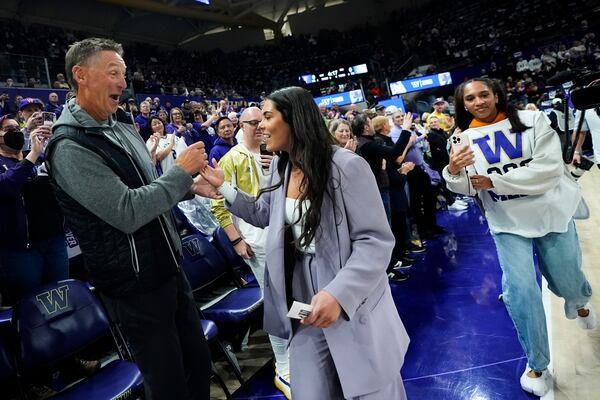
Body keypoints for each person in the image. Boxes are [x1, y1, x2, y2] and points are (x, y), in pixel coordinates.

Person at [201, 86, 410, 400]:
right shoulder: (281, 169)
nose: (260, 126)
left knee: (372, 387)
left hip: (346, 286)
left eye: (268, 117)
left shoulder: (347, 166)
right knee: (310, 388)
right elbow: (263, 213)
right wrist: (225, 188)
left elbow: (375, 241)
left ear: (294, 120)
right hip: (300, 291)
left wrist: (339, 293)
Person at [45, 38, 219, 400]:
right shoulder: (69, 146)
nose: (123, 83)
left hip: (169, 267)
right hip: (134, 285)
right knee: (169, 384)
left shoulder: (120, 124)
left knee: (199, 365)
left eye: (124, 74)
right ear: (80, 75)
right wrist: (182, 174)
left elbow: (149, 188)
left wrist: (189, 189)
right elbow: (126, 211)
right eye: (113, 73)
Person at [445, 77, 595, 397]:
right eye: (470, 99)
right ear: (464, 105)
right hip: (507, 222)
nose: (478, 102)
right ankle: (537, 363)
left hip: (551, 211)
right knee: (521, 290)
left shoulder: (533, 120)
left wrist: (494, 182)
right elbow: (466, 185)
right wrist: (454, 173)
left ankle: (579, 302)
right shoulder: (461, 139)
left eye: (484, 94)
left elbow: (549, 168)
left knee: (566, 279)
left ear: (497, 95)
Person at [209, 106, 291, 398]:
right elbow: (219, 203)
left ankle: (299, 354)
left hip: (284, 234)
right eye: (252, 122)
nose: (258, 126)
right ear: (239, 125)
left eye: (262, 121)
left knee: (293, 296)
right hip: (256, 240)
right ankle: (283, 366)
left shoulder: (277, 151)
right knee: (276, 301)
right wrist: (235, 240)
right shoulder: (231, 159)